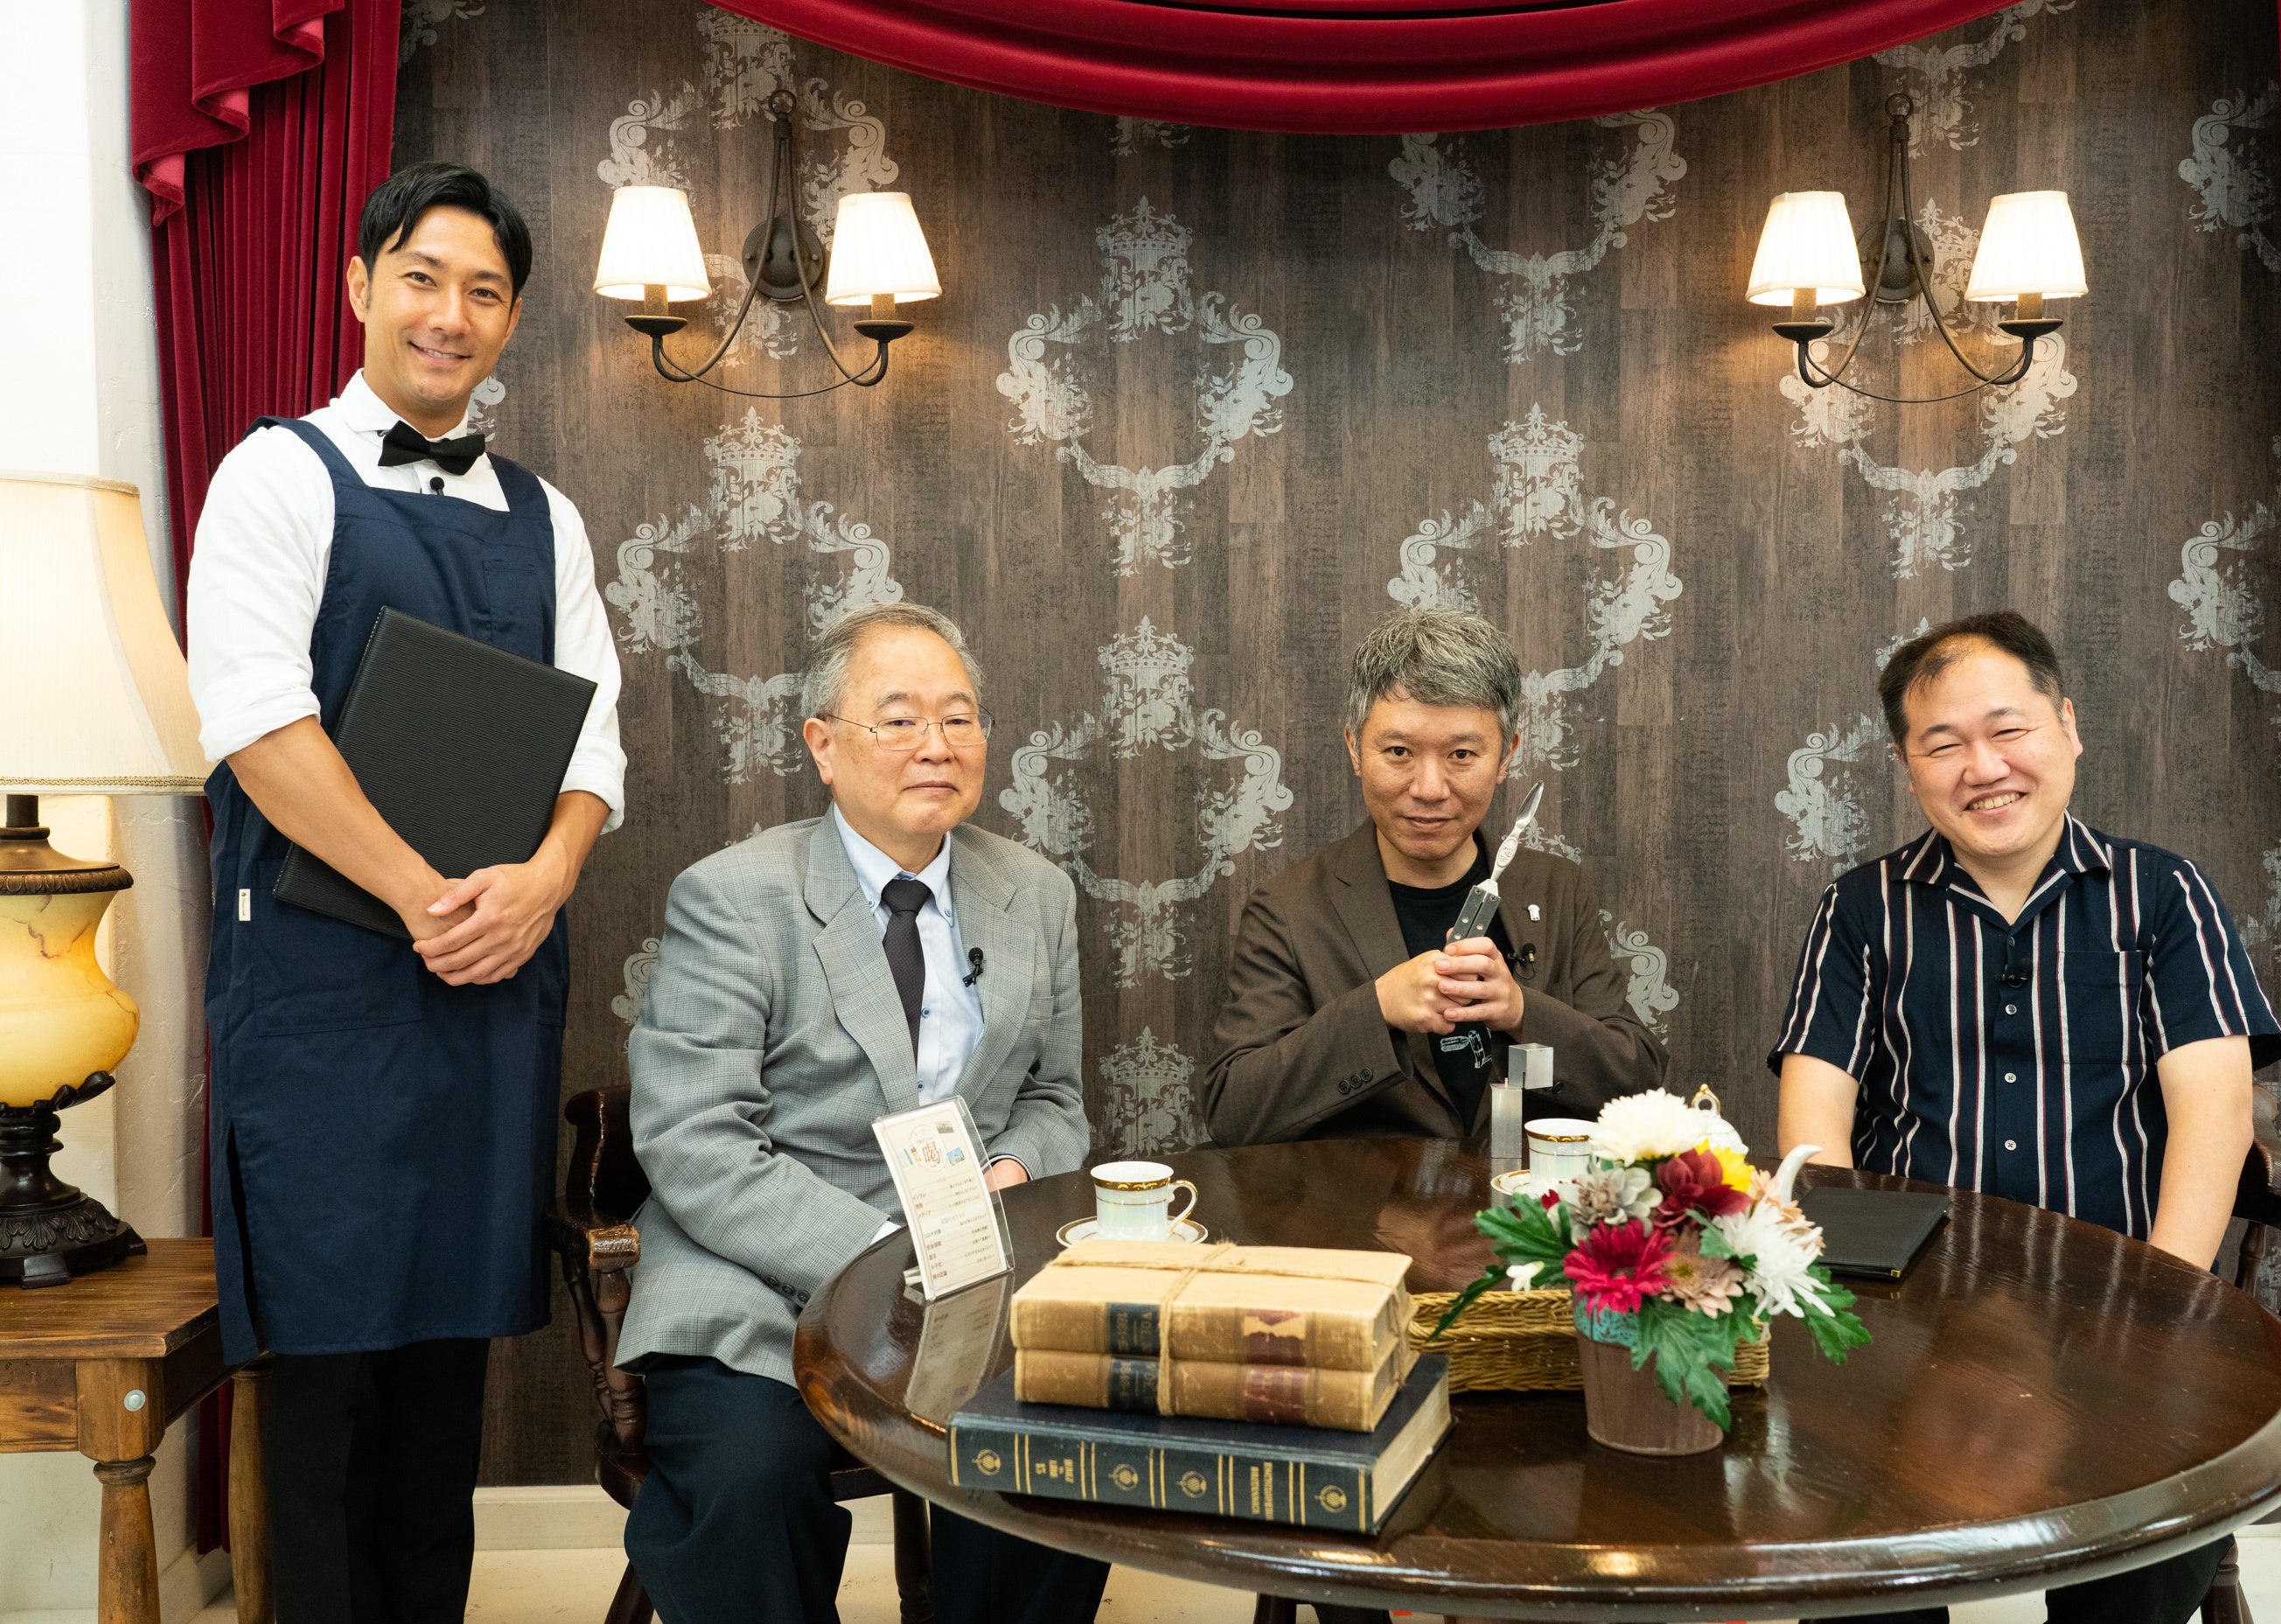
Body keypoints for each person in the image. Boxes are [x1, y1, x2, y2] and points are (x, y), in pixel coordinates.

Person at [186, 163, 626, 1621]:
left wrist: (546, 881)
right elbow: (260, 728)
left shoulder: (547, 516)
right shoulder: (272, 476)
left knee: (445, 1382)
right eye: (423, 278)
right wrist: (431, 896)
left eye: (484, 291)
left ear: (512, 321)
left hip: (486, 997)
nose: (450, 314)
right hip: (321, 1004)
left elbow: (594, 746)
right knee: (322, 1379)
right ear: (360, 285)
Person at [1772, 610, 2279, 1624]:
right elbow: (1814, 1118)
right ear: (1907, 766)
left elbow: (2215, 1115)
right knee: (1847, 1556)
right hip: (1906, 1311)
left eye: (2008, 730)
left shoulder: (2163, 896)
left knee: (2146, 1574)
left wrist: (2159, 1314)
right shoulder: (1862, 908)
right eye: (1944, 743)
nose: (1984, 767)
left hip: (2122, 1299)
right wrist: (1851, 1311)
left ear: (2068, 727)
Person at [616, 603, 1108, 1624]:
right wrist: (884, 1256)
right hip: (760, 1280)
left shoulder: (1035, 893)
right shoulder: (733, 896)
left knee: (1064, 1446)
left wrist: (1015, 1172)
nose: (937, 745)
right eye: (899, 719)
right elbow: (696, 1141)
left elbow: (1054, 1097)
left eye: (959, 718)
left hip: (977, 1274)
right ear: (824, 745)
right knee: (749, 1478)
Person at [1198, 607, 1667, 1147]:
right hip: (1361, 1201)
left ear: (1506, 755)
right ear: (1354, 748)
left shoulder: (1556, 889)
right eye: (1398, 751)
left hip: (1526, 1196)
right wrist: (1377, 1008)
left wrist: (1521, 1012)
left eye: (1461, 754)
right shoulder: (1288, 908)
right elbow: (1234, 1110)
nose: (1429, 789)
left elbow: (1638, 1082)